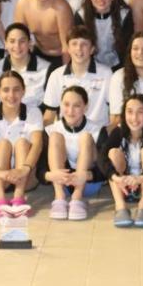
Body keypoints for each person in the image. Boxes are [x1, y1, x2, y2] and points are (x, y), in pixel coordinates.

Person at [0, 70, 45, 218]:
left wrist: (24, 170)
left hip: (26, 177)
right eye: (6, 90)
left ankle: (19, 199)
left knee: (22, 143)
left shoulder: (34, 113)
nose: (11, 95)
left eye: (16, 89)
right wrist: (0, 172)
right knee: (3, 144)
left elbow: (37, 145)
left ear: (23, 91)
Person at [99, 94, 143, 228]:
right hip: (124, 187)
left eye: (140, 112)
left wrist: (142, 177)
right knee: (112, 152)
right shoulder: (118, 131)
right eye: (130, 112)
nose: (134, 118)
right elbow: (102, 156)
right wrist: (115, 177)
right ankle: (120, 207)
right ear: (124, 114)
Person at [43, 85, 105, 221]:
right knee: (55, 136)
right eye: (66, 104)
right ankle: (59, 198)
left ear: (85, 107)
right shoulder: (50, 130)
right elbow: (40, 169)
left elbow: (106, 169)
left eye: (77, 106)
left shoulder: (97, 130)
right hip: (62, 183)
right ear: (60, 105)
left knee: (85, 137)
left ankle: (77, 198)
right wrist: (50, 175)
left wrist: (87, 175)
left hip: (89, 184)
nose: (70, 111)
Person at [42, 26, 112, 126]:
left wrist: (105, 137)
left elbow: (115, 115)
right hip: (65, 135)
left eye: (84, 44)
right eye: (74, 44)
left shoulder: (106, 73)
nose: (79, 48)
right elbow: (50, 114)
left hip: (97, 134)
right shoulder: (56, 75)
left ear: (92, 49)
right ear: (68, 49)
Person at [14, 0, 74, 65]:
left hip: (60, 56)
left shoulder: (62, 8)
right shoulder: (23, 4)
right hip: (38, 54)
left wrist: (64, 73)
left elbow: (67, 46)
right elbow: (19, 37)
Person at [75, 0, 132, 68]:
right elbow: (79, 48)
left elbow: (128, 48)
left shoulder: (125, 15)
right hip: (90, 66)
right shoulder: (81, 16)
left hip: (120, 65)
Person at [0, 22, 58, 112]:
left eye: (22, 41)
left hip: (36, 121)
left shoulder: (47, 69)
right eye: (12, 41)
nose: (17, 46)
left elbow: (50, 109)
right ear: (6, 44)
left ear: (30, 43)